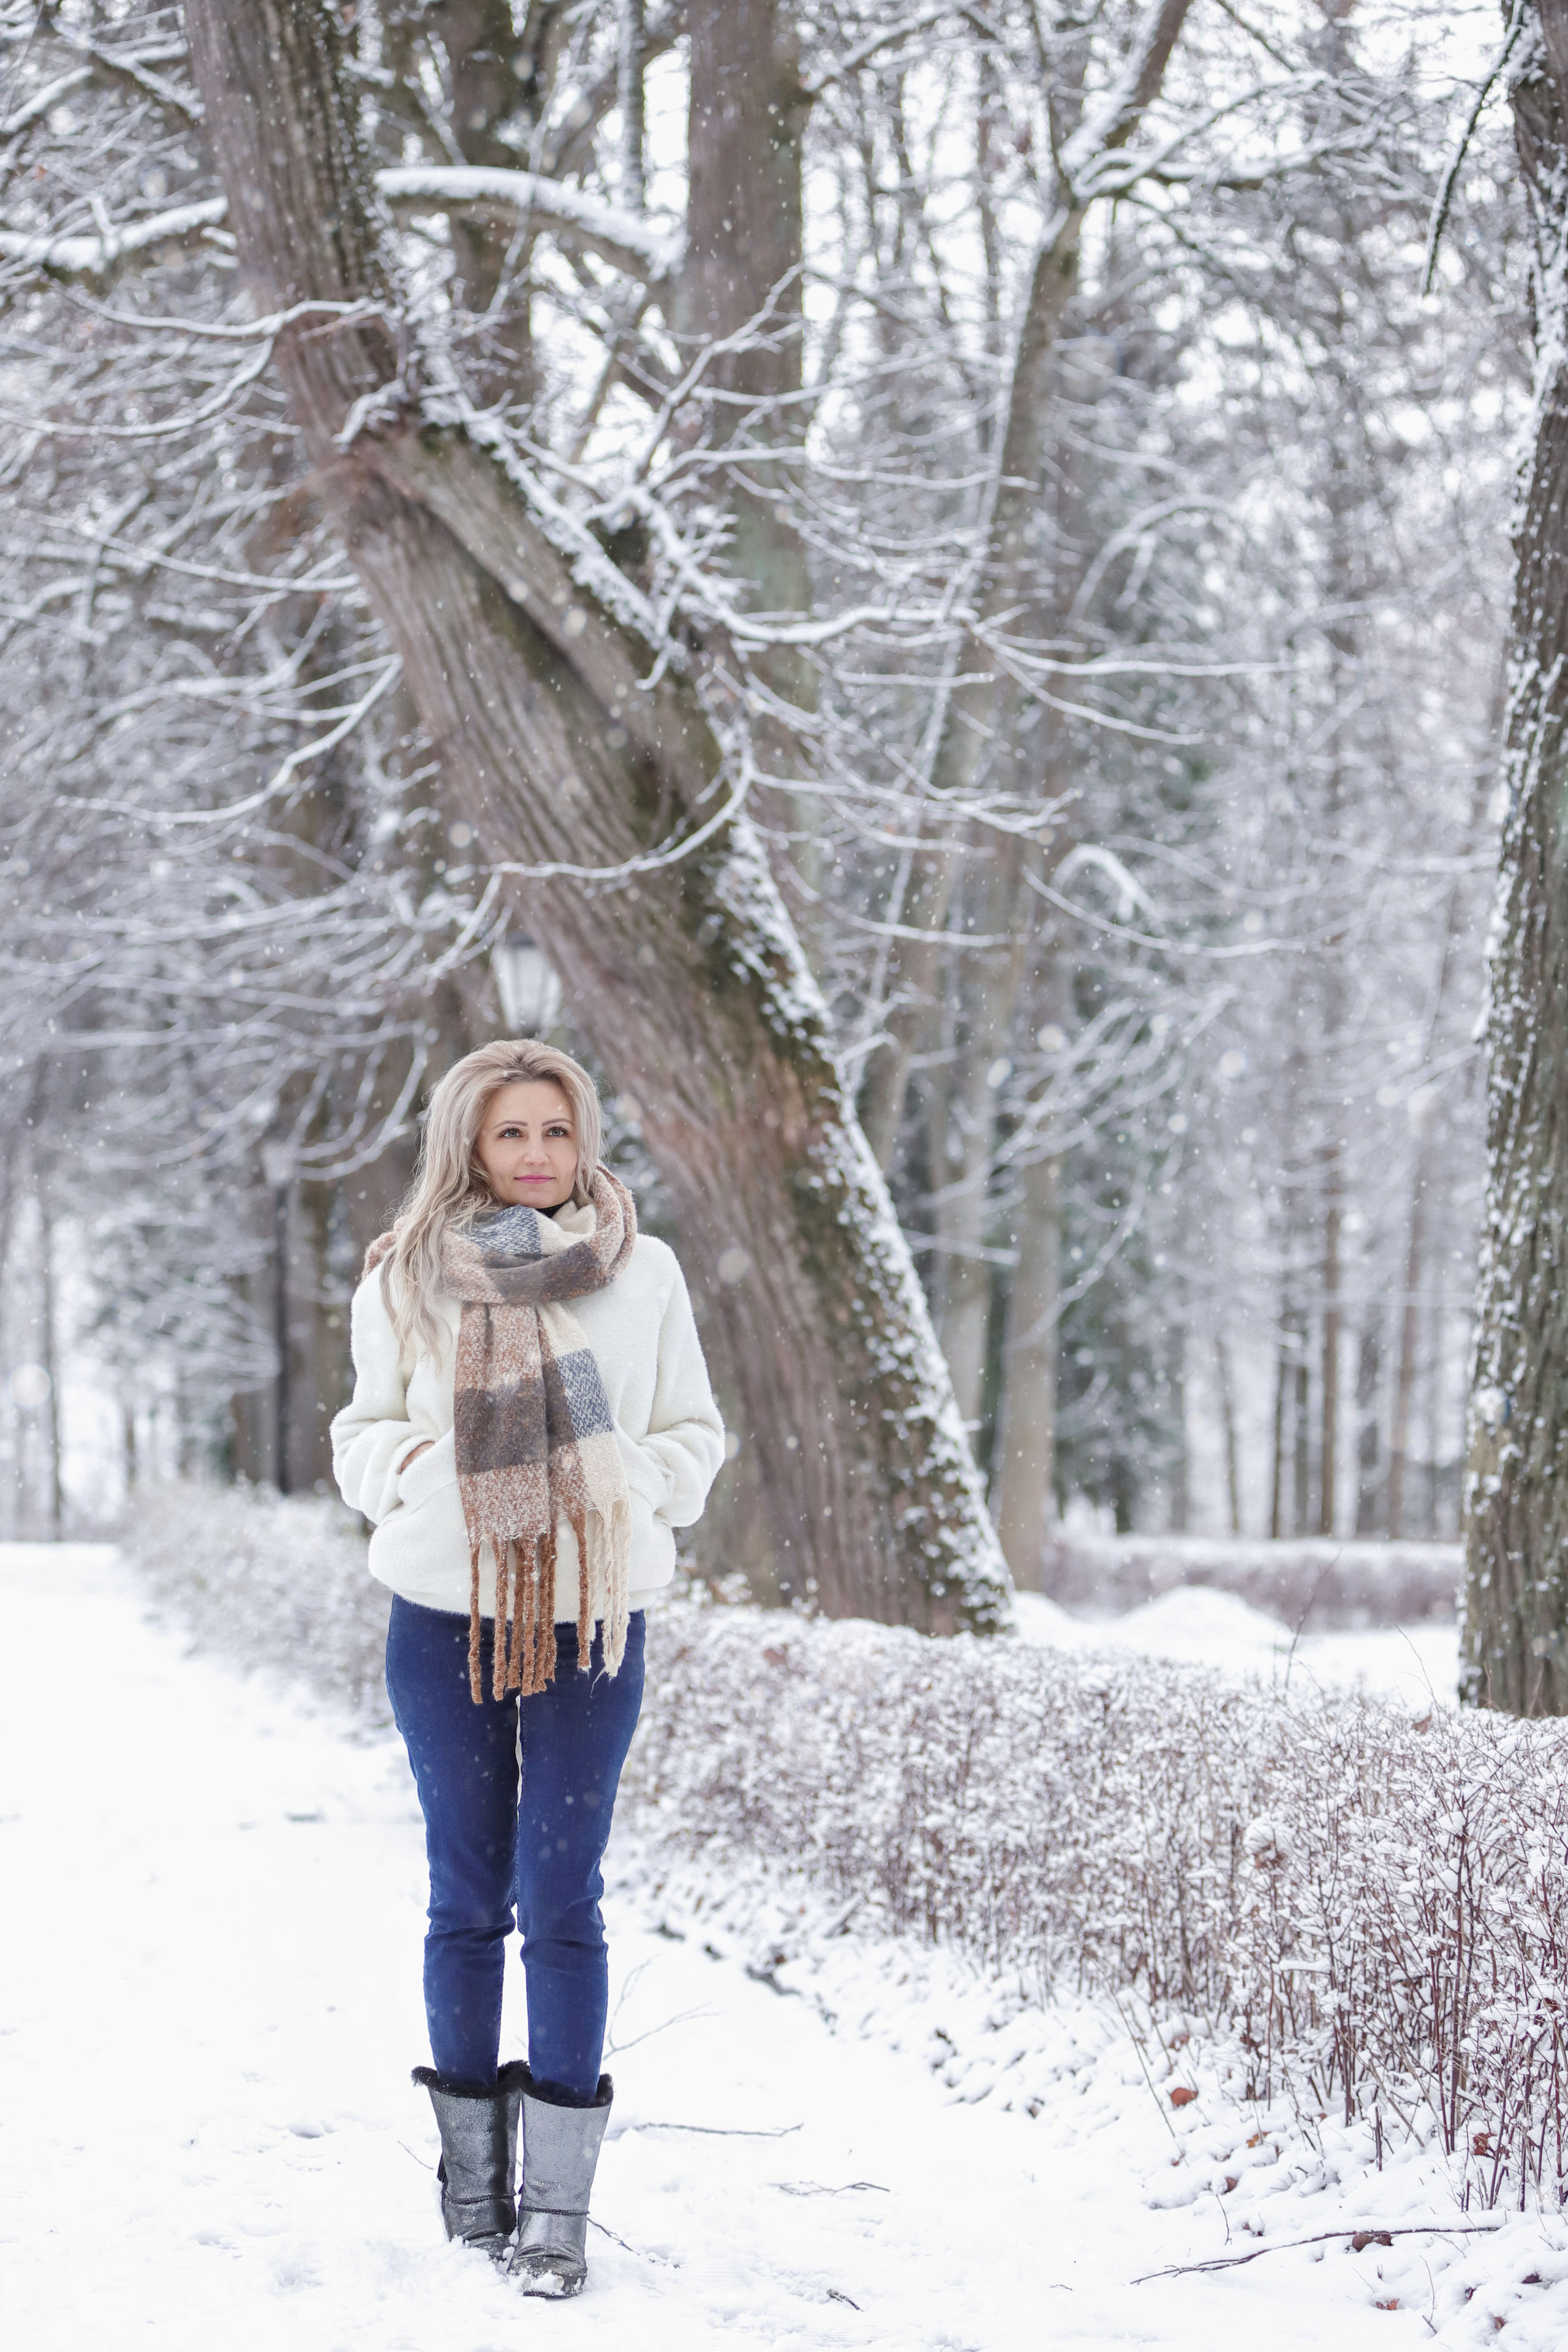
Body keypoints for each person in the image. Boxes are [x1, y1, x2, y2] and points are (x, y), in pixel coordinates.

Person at [330, 1039, 724, 2296]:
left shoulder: (643, 1271)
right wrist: (420, 1469)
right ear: (471, 1143)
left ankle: (556, 2213)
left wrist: (618, 1472)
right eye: (512, 1133)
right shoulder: (407, 1275)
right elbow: (360, 1432)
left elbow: (695, 1435)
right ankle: (473, 2194)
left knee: (562, 1896)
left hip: (593, 1613)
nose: (539, 1154)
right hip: (444, 1612)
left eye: (557, 1130)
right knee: (466, 1895)